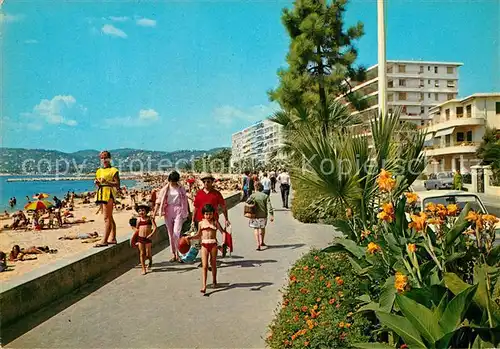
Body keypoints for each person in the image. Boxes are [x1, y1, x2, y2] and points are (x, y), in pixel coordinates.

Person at [187, 204, 227, 294]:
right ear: (203, 214)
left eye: (210, 214)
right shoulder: (201, 223)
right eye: (206, 214)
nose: (208, 216)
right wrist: (190, 237)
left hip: (213, 245)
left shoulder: (215, 222)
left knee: (213, 264)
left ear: (213, 214)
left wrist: (224, 242)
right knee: (204, 266)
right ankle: (204, 285)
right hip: (204, 245)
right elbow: (198, 235)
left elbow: (222, 232)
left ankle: (214, 281)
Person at [154, 171, 189, 263]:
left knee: (176, 233)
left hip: (179, 210)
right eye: (171, 181)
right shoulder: (165, 189)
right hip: (168, 210)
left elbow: (185, 200)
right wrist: (154, 213)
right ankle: (174, 254)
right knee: (170, 234)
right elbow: (159, 201)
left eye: (174, 181)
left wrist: (188, 212)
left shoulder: (181, 189)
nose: (173, 182)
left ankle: (179, 254)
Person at [94, 150, 120, 247]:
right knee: (110, 216)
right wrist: (98, 183)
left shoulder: (114, 170)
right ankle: (113, 238)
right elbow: (99, 184)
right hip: (101, 193)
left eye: (105, 157)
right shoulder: (99, 171)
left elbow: (117, 184)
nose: (104, 159)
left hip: (108, 194)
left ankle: (104, 240)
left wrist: (107, 182)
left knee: (106, 218)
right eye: (102, 158)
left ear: (109, 158)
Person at [247, 183, 274, 250]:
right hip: (263, 215)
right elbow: (269, 206)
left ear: (255, 188)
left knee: (256, 228)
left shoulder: (252, 195)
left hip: (254, 215)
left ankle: (258, 244)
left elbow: (247, 202)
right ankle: (262, 242)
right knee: (262, 228)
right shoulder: (265, 196)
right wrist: (271, 215)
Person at [132, 203, 157, 275]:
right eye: (139, 211)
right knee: (142, 253)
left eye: (143, 210)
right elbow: (137, 230)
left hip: (148, 238)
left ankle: (150, 260)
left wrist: (151, 234)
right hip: (140, 238)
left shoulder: (150, 219)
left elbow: (155, 227)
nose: (141, 212)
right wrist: (135, 240)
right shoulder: (138, 220)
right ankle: (143, 268)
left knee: (148, 253)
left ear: (146, 211)